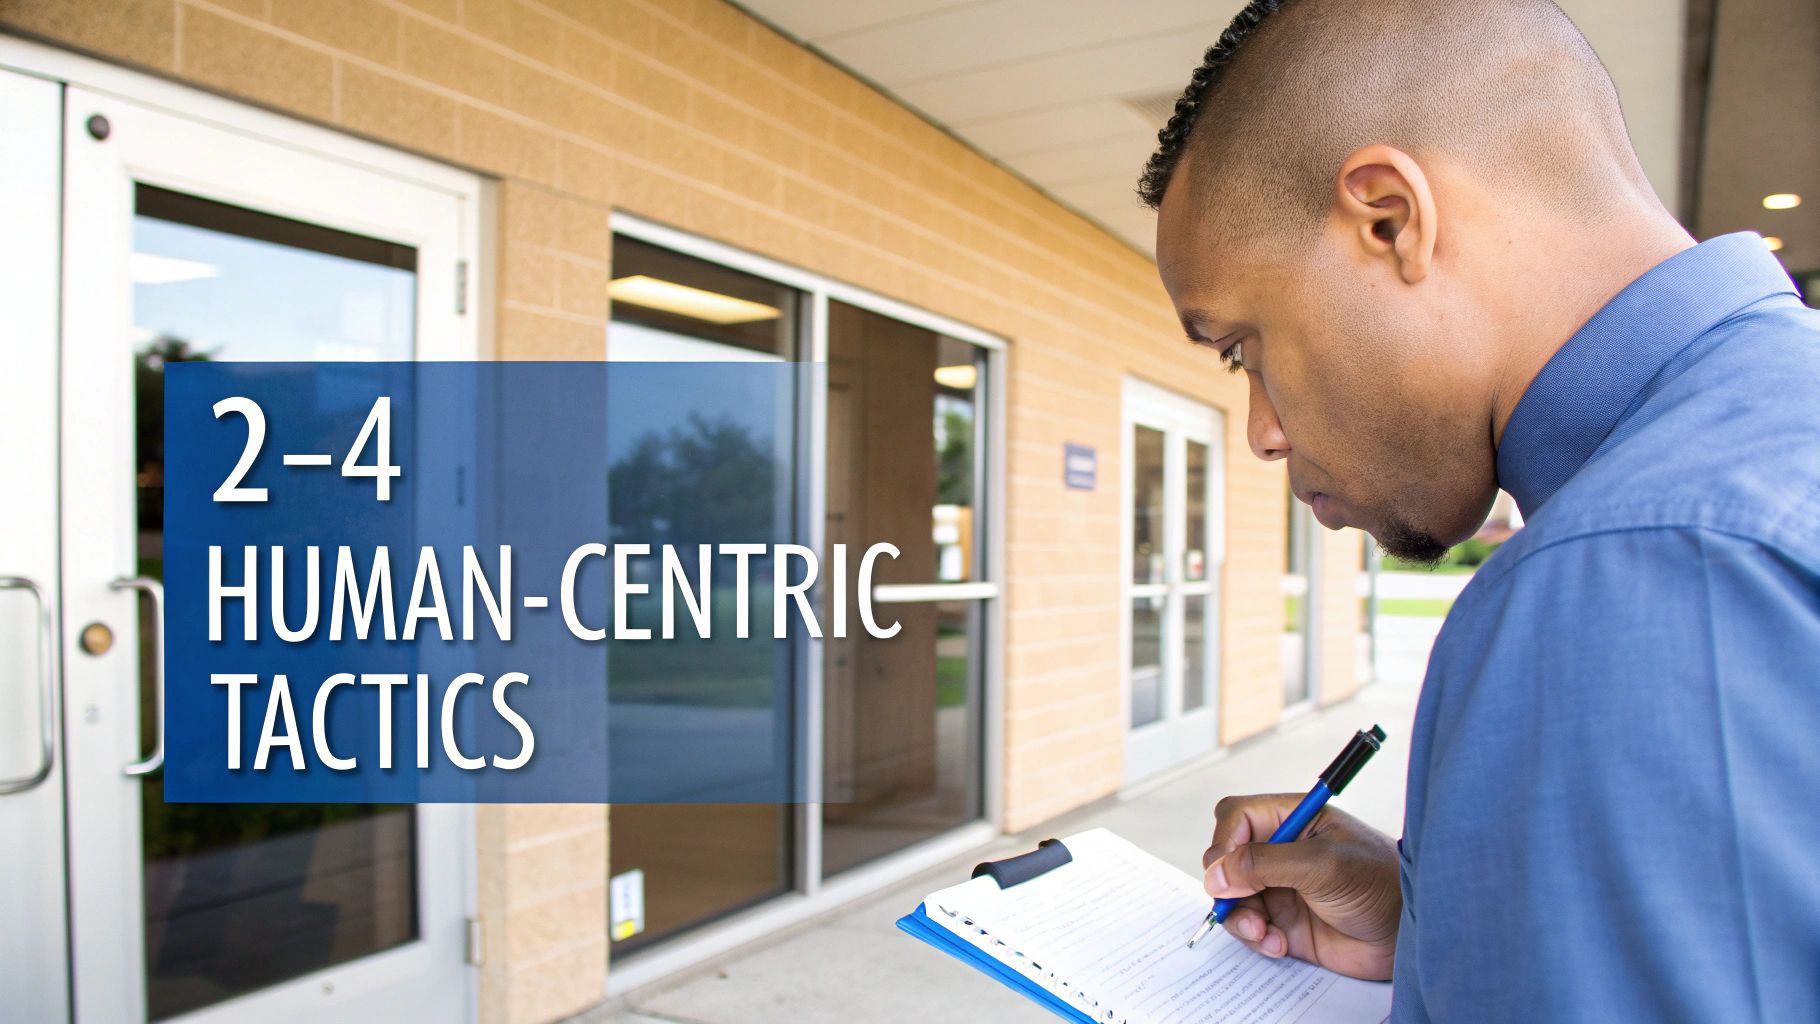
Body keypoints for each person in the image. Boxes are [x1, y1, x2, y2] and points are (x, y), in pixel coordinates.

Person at [1141, 0, 1820, 1020]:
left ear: (1389, 219)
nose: (1262, 433)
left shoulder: (1624, 572)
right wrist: (1438, 922)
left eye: (1240, 347)